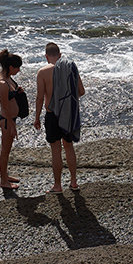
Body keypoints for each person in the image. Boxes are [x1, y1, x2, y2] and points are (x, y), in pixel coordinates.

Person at [33, 41, 84, 193]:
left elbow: (40, 97)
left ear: (46, 56)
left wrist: (36, 118)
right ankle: (74, 182)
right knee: (69, 148)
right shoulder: (70, 68)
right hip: (68, 114)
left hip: (52, 114)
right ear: (60, 55)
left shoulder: (42, 72)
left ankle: (57, 186)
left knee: (56, 150)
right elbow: (81, 91)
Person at [0, 50, 27, 190]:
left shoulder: (8, 78)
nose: (19, 70)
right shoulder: (2, 83)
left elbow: (10, 97)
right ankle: (4, 181)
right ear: (10, 67)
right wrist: (12, 125)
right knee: (5, 150)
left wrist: (17, 92)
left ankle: (5, 175)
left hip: (10, 119)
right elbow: (5, 107)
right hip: (7, 120)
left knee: (7, 149)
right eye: (17, 68)